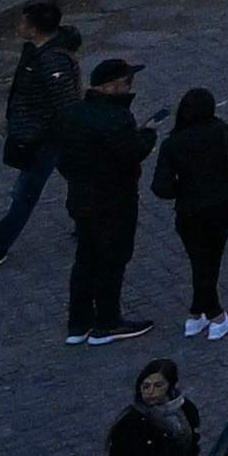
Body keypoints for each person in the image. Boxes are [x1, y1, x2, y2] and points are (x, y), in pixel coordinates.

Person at [0, 0, 84, 271]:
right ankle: (92, 221)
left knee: (25, 196)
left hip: (45, 139)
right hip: (46, 135)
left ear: (35, 28)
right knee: (78, 178)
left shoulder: (50, 62)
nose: (19, 26)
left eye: (23, 22)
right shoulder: (35, 52)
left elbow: (64, 105)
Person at [53, 55, 154, 342]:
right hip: (115, 201)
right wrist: (148, 137)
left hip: (82, 198)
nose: (129, 87)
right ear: (109, 87)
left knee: (86, 258)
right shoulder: (117, 118)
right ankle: (107, 321)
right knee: (113, 259)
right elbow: (130, 153)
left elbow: (61, 158)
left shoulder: (71, 115)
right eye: (126, 82)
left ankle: (79, 322)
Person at [153, 84, 228, 340]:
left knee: (200, 261)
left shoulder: (172, 144)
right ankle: (216, 317)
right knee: (209, 263)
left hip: (188, 212)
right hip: (221, 207)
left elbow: (161, 187)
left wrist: (185, 187)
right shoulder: (223, 132)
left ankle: (195, 315)